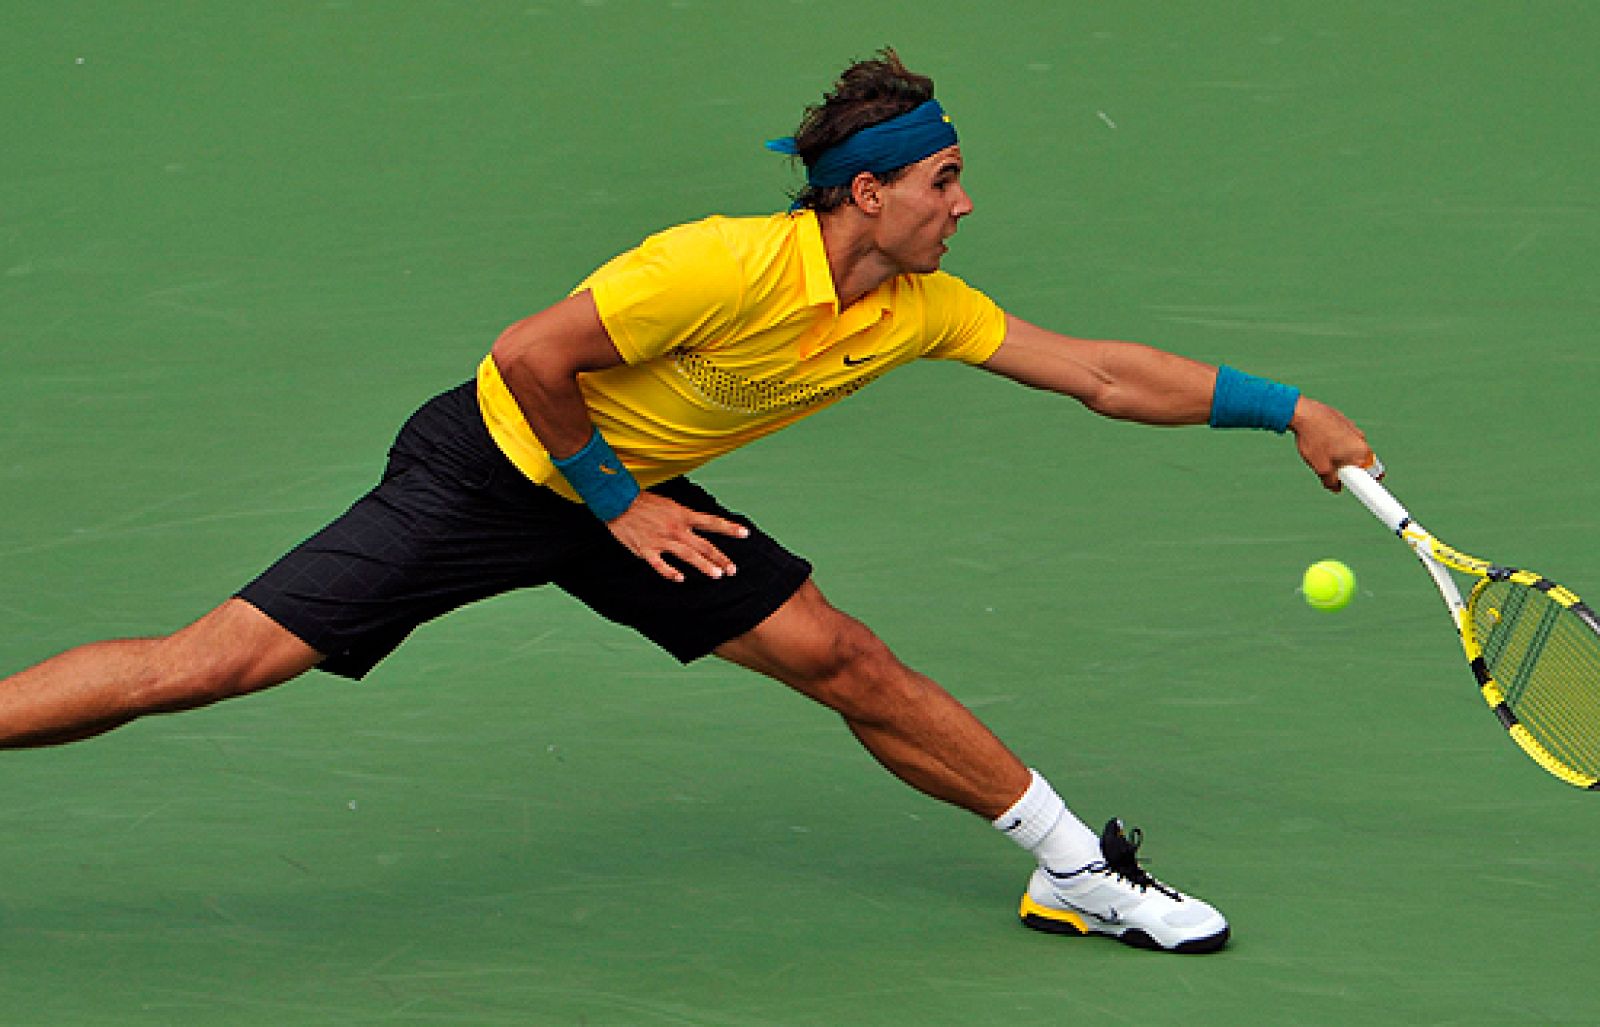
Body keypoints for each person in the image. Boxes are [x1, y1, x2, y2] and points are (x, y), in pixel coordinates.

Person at [0, 49, 1373, 954]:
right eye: (943, 182)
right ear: (868, 191)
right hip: (495, 466)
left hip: (630, 492)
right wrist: (611, 502)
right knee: (221, 663)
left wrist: (1287, 409)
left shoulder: (917, 308)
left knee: (845, 658)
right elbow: (529, 356)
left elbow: (1101, 372)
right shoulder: (717, 266)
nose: (965, 204)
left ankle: (1072, 870)